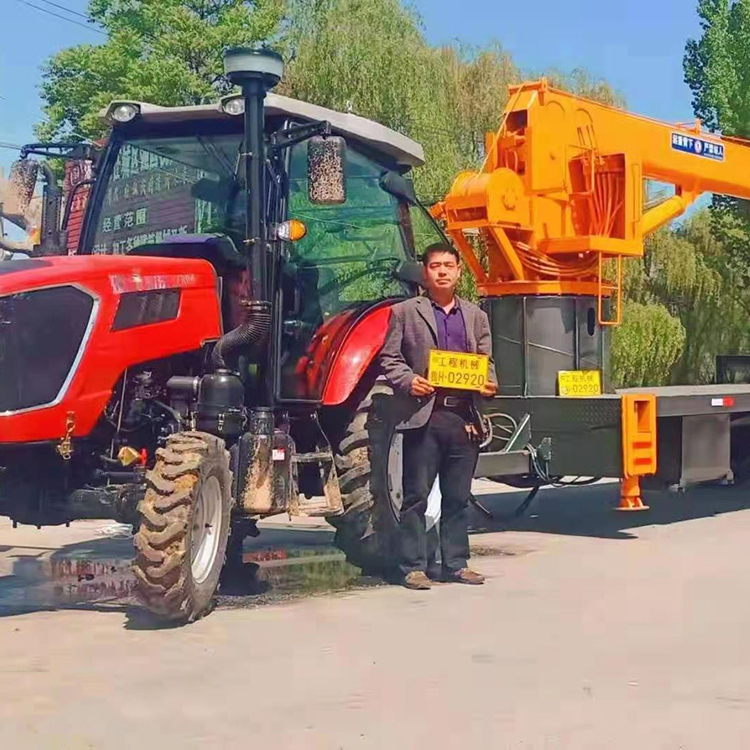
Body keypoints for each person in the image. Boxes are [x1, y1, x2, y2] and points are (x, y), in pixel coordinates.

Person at [380, 243, 498, 590]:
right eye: (435, 266)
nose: (442, 271)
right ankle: (413, 567)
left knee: (458, 497)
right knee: (415, 496)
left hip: (464, 418)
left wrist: (490, 383)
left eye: (449, 265)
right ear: (425, 272)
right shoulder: (404, 312)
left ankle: (456, 564)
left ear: (459, 271)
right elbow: (389, 359)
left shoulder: (477, 316)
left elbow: (486, 363)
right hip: (423, 416)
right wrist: (408, 381)